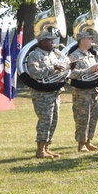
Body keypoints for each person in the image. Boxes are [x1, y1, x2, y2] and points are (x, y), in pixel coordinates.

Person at [25, 29, 71, 159]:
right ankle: (40, 149)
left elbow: (58, 71)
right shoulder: (34, 55)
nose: (52, 43)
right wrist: (52, 68)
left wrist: (68, 67)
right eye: (50, 40)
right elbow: (34, 73)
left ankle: (46, 147)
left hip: (54, 92)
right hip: (41, 94)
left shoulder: (53, 55)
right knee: (45, 120)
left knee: (54, 120)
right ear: (42, 41)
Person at [68, 29, 98, 152]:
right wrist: (89, 70)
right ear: (82, 40)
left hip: (94, 90)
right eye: (89, 38)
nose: (92, 41)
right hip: (82, 93)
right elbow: (70, 73)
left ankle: (88, 141)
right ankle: (81, 143)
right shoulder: (74, 56)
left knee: (93, 116)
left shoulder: (92, 55)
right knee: (82, 118)